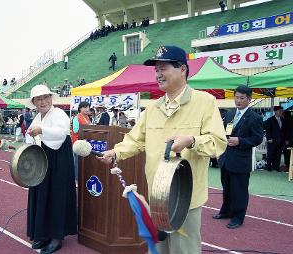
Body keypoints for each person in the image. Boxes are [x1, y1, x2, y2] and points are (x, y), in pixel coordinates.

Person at [97, 45, 227, 254]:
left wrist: (191, 141)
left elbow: (218, 144)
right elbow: (135, 140)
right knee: (157, 248)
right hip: (157, 195)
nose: (158, 74)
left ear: (182, 69)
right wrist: (116, 153)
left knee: (184, 250)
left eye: (163, 68)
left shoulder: (205, 102)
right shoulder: (153, 108)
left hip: (186, 198)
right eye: (156, 69)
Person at [24, 85, 77, 254]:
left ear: (51, 98)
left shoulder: (59, 114)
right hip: (42, 161)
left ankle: (56, 237)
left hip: (58, 160)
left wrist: (42, 131)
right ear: (34, 102)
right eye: (39, 99)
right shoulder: (38, 117)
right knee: (42, 194)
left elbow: (60, 134)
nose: (43, 101)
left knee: (57, 195)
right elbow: (29, 136)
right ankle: (43, 233)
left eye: (46, 97)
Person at [213, 85, 263, 229]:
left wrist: (240, 141)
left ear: (249, 99)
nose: (238, 101)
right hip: (226, 158)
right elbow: (223, 133)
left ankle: (238, 217)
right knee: (226, 187)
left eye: (242, 98)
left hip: (241, 160)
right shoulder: (229, 113)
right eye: (236, 97)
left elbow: (257, 138)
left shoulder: (255, 118)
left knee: (239, 191)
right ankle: (226, 211)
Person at [265, 106, 285, 171]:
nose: (281, 112)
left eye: (282, 111)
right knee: (270, 154)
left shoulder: (283, 120)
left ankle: (276, 167)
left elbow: (284, 130)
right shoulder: (270, 120)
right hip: (272, 140)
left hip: (281, 141)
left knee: (278, 154)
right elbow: (268, 130)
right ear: (275, 111)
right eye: (280, 111)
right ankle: (268, 167)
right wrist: (269, 138)